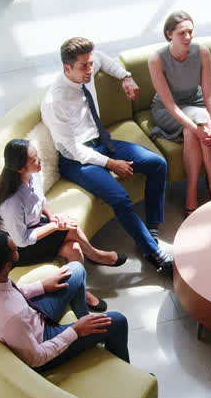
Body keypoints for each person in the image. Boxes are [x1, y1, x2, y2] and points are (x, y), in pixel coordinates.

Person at [41, 36, 173, 274]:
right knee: (120, 197)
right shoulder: (54, 102)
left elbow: (101, 58)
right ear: (66, 68)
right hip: (77, 159)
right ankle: (152, 251)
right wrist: (111, 163)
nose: (90, 69)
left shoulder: (87, 69)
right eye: (84, 66)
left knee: (157, 164)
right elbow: (72, 149)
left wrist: (126, 76)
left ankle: (152, 226)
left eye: (90, 64)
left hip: (102, 142)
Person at [0, 138, 126, 312]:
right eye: (34, 159)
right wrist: (55, 226)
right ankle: (96, 256)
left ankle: (81, 290)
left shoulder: (33, 174)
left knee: (73, 249)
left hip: (35, 227)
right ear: (20, 168)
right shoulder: (12, 202)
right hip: (19, 248)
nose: (40, 160)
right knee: (69, 227)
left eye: (37, 155)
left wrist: (52, 217)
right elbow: (22, 240)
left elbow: (40, 200)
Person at [0, 232, 130, 371]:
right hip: (43, 342)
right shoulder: (12, 317)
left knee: (76, 269)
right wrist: (75, 331)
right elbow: (36, 358)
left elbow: (11, 293)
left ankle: (84, 319)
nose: (18, 247)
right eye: (15, 249)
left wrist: (42, 286)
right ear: (8, 265)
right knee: (117, 320)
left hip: (31, 314)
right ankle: (125, 371)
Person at [148, 10, 211, 214]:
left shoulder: (203, 52)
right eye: (182, 33)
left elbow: (208, 94)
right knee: (195, 125)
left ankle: (191, 194)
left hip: (195, 102)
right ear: (169, 34)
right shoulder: (156, 59)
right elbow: (170, 105)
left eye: (190, 31)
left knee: (196, 125)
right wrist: (197, 128)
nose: (188, 37)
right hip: (166, 109)